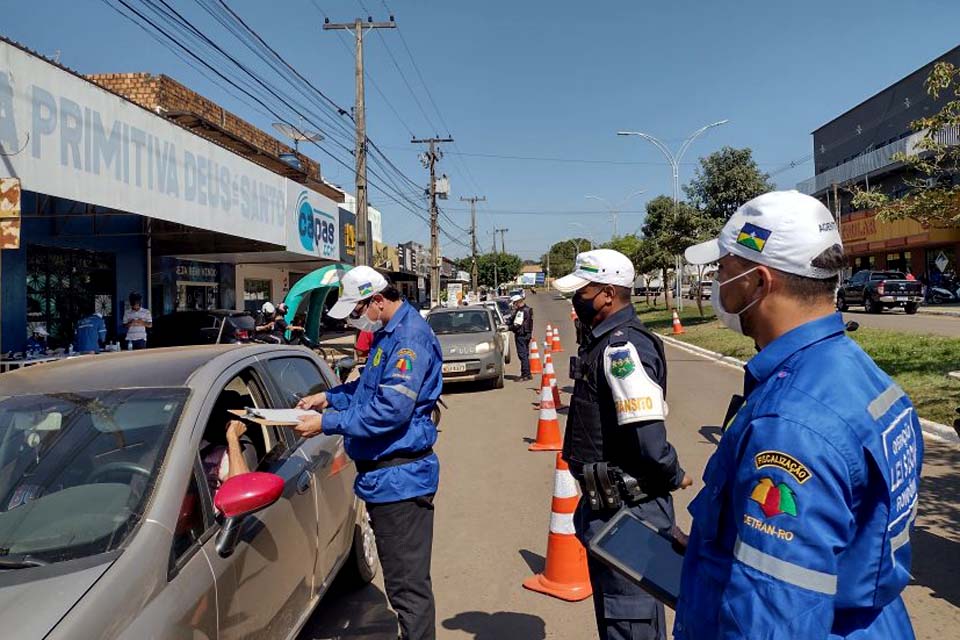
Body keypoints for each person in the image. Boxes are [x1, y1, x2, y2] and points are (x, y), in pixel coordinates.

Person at [675, 190, 923, 639]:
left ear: (758, 282)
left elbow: (773, 618)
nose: (716, 283)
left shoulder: (790, 428)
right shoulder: (860, 374)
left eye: (723, 270)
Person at [295, 265, 442, 640]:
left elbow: (390, 410)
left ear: (377, 300)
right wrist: (328, 398)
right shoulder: (388, 335)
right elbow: (368, 391)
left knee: (407, 588)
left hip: (400, 479)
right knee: (402, 583)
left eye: (357, 311)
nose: (355, 320)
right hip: (386, 478)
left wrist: (326, 423)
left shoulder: (408, 340)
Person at [553, 249, 691, 640]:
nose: (576, 300)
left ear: (609, 294)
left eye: (583, 292)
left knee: (630, 621)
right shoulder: (602, 342)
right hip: (609, 509)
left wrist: (673, 474)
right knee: (618, 622)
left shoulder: (622, 349)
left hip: (630, 514)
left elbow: (648, 439)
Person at [508, 293, 534, 381]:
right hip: (527, 334)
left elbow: (517, 325)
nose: (513, 305)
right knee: (525, 354)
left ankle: (525, 375)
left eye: (514, 303)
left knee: (522, 355)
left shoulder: (521, 311)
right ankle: (528, 374)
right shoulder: (528, 309)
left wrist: (508, 328)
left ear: (517, 302)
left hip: (521, 335)